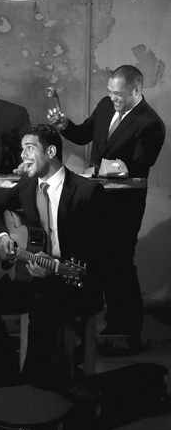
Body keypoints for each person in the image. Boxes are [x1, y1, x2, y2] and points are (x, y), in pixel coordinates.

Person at [0, 124, 106, 399]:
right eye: (23, 149)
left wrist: (57, 265)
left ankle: (32, 385)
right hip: (32, 275)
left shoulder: (87, 191)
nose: (23, 155)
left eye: (30, 148)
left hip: (72, 280)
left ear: (51, 151)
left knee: (43, 302)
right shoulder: (27, 185)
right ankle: (3, 376)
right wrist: (2, 237)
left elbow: (99, 247)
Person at [47, 65, 166, 352]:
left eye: (118, 94)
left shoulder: (151, 123)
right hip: (95, 201)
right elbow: (83, 135)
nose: (112, 98)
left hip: (124, 207)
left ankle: (127, 331)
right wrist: (65, 125)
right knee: (95, 262)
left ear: (136, 90)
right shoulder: (104, 105)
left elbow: (138, 168)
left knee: (119, 265)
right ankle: (97, 330)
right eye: (110, 92)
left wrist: (97, 170)